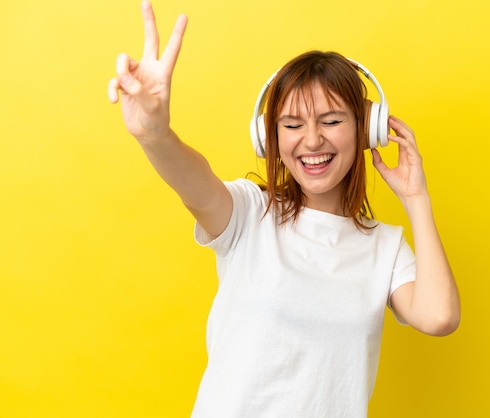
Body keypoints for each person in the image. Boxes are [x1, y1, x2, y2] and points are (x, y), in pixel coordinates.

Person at [108, 2, 460, 417]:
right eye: (292, 125)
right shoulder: (248, 214)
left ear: (367, 129)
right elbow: (194, 182)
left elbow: (439, 317)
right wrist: (156, 135)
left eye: (331, 121)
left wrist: (416, 199)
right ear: (269, 136)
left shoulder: (385, 249)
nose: (311, 141)